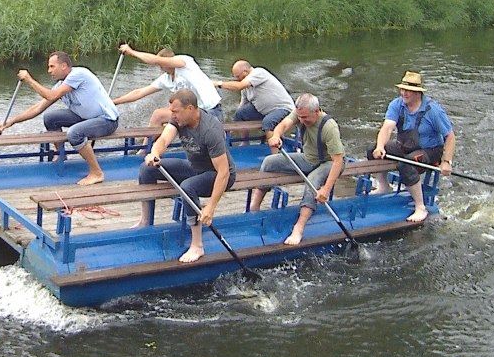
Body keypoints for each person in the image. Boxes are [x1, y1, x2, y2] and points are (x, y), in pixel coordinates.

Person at [138, 89, 236, 263]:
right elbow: (163, 140)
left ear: (190, 108)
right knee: (146, 170)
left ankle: (197, 245)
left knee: (188, 187)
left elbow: (224, 172)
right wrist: (154, 153)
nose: (172, 115)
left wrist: (210, 207)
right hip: (194, 168)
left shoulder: (210, 130)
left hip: (217, 175)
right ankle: (146, 221)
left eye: (176, 111)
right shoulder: (178, 120)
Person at [0, 51, 119, 186]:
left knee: (74, 133)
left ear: (64, 66)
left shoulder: (78, 74)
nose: (49, 71)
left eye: (52, 66)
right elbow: (38, 108)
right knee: (50, 118)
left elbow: (50, 96)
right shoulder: (61, 84)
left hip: (107, 120)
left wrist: (30, 80)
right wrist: (12, 121)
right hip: (85, 117)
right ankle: (61, 154)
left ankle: (97, 173)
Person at [248, 94, 346, 246]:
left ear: (317, 111)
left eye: (305, 117)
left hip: (329, 162)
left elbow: (338, 161)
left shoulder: (329, 127)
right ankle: (254, 206)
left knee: (312, 182)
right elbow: (284, 125)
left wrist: (326, 189)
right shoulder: (299, 114)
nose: (301, 121)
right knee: (268, 162)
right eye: (299, 117)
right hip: (308, 158)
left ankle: (299, 227)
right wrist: (276, 135)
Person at [367, 70, 456, 223]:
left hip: (430, 151)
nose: (404, 93)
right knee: (371, 149)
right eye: (402, 89)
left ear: (418, 93)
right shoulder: (397, 105)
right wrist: (380, 147)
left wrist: (446, 162)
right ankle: (384, 186)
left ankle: (420, 207)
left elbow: (450, 137)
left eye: (408, 90)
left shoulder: (433, 110)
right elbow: (387, 127)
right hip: (406, 146)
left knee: (406, 164)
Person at [112, 44, 223, 128]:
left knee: (159, 115)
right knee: (164, 115)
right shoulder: (166, 78)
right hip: (193, 112)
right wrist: (115, 102)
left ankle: (145, 149)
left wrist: (131, 52)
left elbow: (154, 60)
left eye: (161, 64)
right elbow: (140, 92)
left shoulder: (184, 62)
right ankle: (146, 148)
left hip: (211, 112)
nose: (159, 67)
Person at [214, 60, 294, 152]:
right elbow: (243, 104)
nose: (237, 79)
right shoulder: (245, 87)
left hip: (283, 108)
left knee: (268, 122)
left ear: (246, 72)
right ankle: (245, 142)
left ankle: (274, 155)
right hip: (264, 111)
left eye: (238, 76)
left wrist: (218, 84)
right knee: (240, 114)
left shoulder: (258, 72)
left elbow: (239, 86)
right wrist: (233, 126)